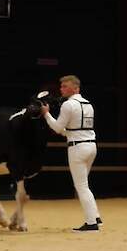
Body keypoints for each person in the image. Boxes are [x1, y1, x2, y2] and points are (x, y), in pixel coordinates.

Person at [40, 75, 102, 232]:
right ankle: (95, 217)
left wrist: (46, 113)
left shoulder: (68, 105)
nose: (62, 89)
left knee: (81, 186)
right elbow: (78, 128)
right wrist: (67, 132)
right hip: (91, 146)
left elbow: (57, 128)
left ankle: (91, 223)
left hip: (78, 149)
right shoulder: (88, 104)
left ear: (76, 88)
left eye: (65, 86)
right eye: (61, 86)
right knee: (84, 185)